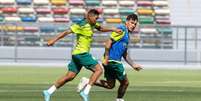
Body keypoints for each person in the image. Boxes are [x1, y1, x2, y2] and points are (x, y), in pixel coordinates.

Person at [42, 9, 122, 101]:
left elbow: (101, 28)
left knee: (70, 76)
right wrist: (53, 40)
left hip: (77, 54)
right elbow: (66, 32)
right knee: (99, 70)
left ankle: (48, 91)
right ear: (90, 17)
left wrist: (113, 29)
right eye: (96, 18)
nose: (97, 20)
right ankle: (85, 92)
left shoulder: (92, 24)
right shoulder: (81, 24)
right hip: (81, 53)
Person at [77, 14, 142, 101]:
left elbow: (124, 54)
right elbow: (108, 42)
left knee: (110, 85)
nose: (133, 25)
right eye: (132, 23)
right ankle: (119, 99)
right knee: (125, 82)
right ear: (127, 22)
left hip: (109, 62)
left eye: (135, 24)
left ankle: (87, 81)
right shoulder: (122, 29)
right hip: (113, 61)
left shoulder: (126, 35)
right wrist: (107, 57)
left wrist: (133, 65)